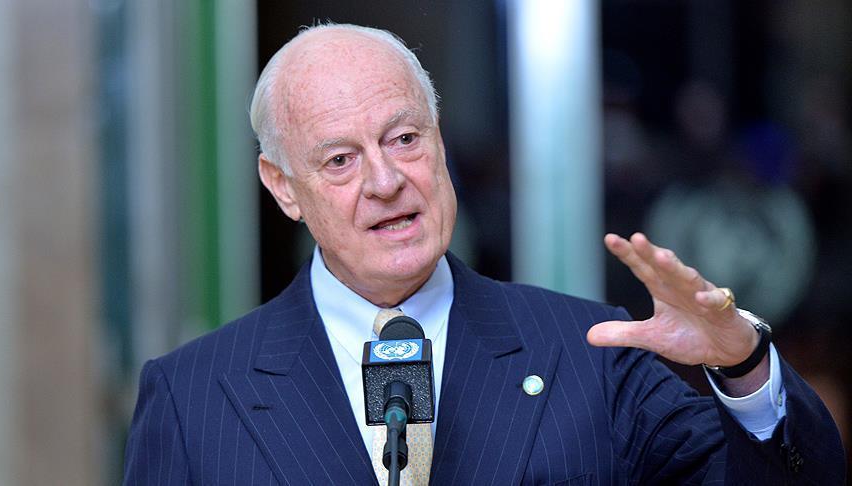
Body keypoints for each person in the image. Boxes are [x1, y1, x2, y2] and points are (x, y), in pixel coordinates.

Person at [123, 23, 845, 485]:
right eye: (340, 159)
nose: (385, 181)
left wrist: (744, 365)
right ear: (284, 187)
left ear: (438, 141)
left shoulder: (588, 355)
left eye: (404, 139)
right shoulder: (192, 397)